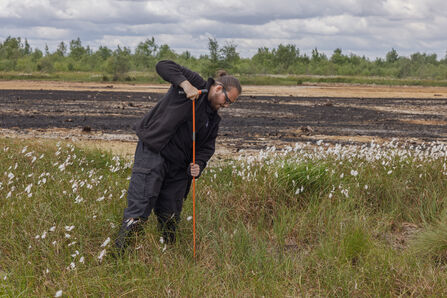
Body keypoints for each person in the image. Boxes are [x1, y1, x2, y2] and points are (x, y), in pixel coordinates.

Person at [115, 60, 242, 254]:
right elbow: (163, 65)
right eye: (227, 100)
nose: (226, 105)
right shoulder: (194, 83)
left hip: (179, 167)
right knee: (141, 205)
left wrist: (198, 164)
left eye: (230, 103)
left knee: (171, 213)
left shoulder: (214, 119)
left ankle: (169, 254)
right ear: (218, 88)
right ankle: (120, 255)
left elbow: (207, 147)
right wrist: (184, 84)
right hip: (154, 151)